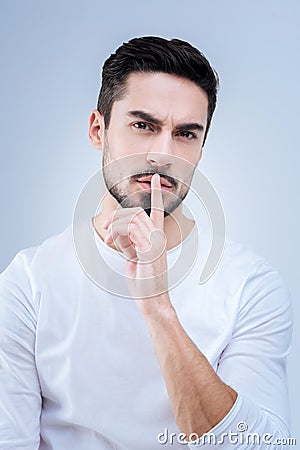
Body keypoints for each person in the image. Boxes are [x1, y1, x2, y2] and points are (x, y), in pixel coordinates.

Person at [0, 36, 292, 449]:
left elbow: (262, 446)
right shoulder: (28, 283)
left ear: (201, 148)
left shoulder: (251, 287)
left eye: (186, 134)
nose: (163, 154)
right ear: (98, 130)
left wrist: (157, 305)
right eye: (143, 126)